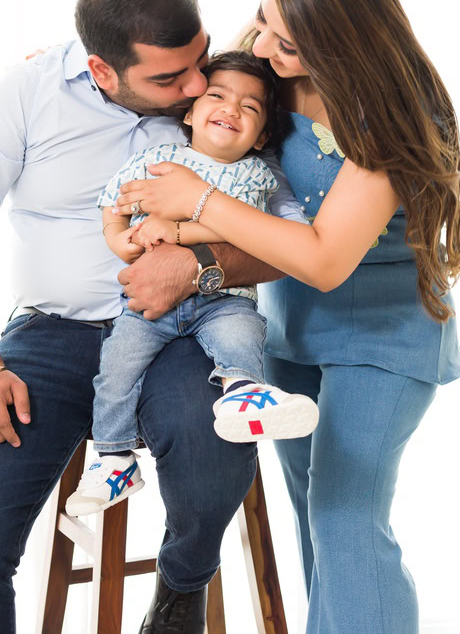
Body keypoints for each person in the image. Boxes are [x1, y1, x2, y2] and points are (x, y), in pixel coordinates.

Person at [0, 0, 309, 634]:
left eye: (201, 61)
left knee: (214, 435)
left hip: (185, 329)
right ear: (102, 71)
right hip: (51, 337)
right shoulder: (27, 94)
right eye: (169, 78)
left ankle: (181, 585)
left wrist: (202, 266)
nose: (196, 85)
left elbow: (288, 236)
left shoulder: (218, 93)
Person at [111, 0, 460, 634]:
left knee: (347, 518)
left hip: (384, 333)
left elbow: (323, 258)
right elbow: (194, 106)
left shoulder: (392, 116)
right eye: (264, 18)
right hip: (294, 329)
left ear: (343, 45)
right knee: (316, 514)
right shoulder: (265, 60)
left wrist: (199, 204)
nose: (266, 44)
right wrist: (83, 87)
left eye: (292, 42)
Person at [64, 51, 319, 518]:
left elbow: (243, 231)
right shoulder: (157, 159)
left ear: (262, 135)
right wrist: (119, 240)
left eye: (250, 107)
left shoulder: (256, 176)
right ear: (190, 111)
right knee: (117, 366)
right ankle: (114, 458)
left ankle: (245, 392)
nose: (231, 109)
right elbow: (113, 201)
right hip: (149, 305)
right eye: (217, 96)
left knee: (241, 334)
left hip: (223, 299)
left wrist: (179, 231)